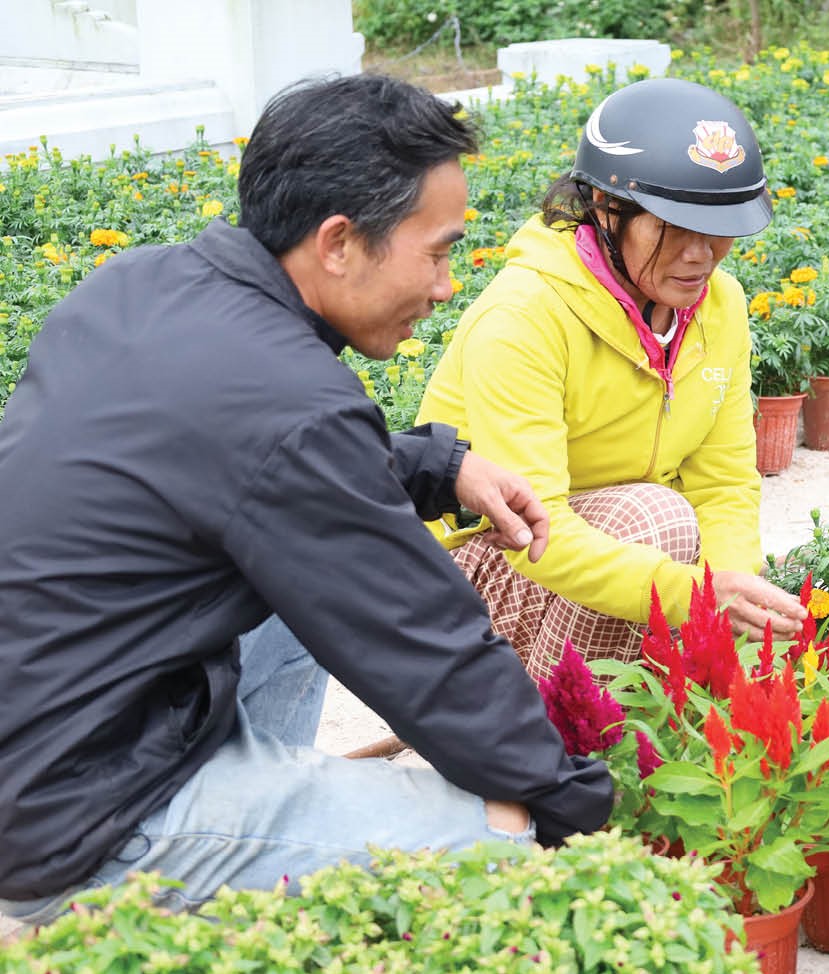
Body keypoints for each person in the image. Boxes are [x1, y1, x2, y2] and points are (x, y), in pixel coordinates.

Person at [0, 74, 614, 924]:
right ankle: (164, 896)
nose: (444, 288)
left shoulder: (140, 286)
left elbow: (252, 456)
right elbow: (427, 648)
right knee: (496, 836)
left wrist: (441, 467)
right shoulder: (292, 404)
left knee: (292, 593)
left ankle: (256, 832)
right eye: (436, 253)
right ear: (337, 243)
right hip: (80, 821)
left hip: (52, 722)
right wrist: (573, 808)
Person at [417, 77, 807, 683]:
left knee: (695, 552)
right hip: (471, 576)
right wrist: (697, 597)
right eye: (673, 227)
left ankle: (627, 743)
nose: (700, 254)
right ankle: (550, 749)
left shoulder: (718, 307)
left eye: (719, 227)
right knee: (658, 522)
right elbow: (532, 527)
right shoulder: (524, 317)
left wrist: (735, 592)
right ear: (605, 207)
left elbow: (724, 483)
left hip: (605, 556)